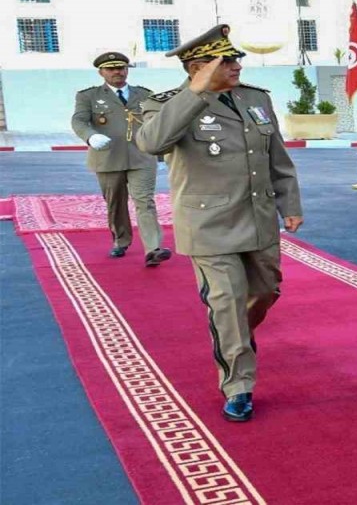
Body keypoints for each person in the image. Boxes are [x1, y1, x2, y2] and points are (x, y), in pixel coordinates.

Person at [135, 24, 303, 421]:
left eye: (236, 57)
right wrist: (195, 93)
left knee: (265, 292)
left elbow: (277, 158)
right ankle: (238, 383)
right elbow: (151, 143)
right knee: (226, 304)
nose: (236, 65)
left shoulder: (255, 99)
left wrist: (289, 203)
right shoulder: (166, 104)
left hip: (258, 218)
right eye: (225, 60)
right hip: (208, 223)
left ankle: (232, 337)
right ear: (197, 67)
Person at [71, 51, 170, 266]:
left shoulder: (145, 94)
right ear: (101, 72)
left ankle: (153, 248)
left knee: (145, 201)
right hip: (107, 157)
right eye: (111, 68)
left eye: (122, 68)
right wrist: (90, 136)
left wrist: (162, 150)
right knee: (115, 203)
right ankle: (121, 240)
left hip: (141, 156)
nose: (117, 72)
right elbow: (79, 121)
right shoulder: (88, 96)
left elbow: (158, 122)